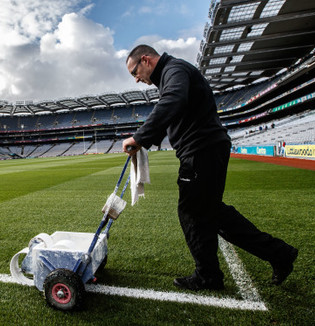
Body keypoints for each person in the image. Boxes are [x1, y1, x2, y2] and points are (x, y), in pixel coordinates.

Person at [122, 45, 298, 291]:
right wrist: (145, 140)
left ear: (146, 59)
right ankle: (280, 254)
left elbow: (174, 101)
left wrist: (139, 137)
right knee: (213, 214)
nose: (137, 79)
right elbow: (174, 112)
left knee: (192, 213)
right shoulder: (171, 74)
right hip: (206, 149)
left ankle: (208, 276)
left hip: (201, 151)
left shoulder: (174, 70)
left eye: (135, 72)